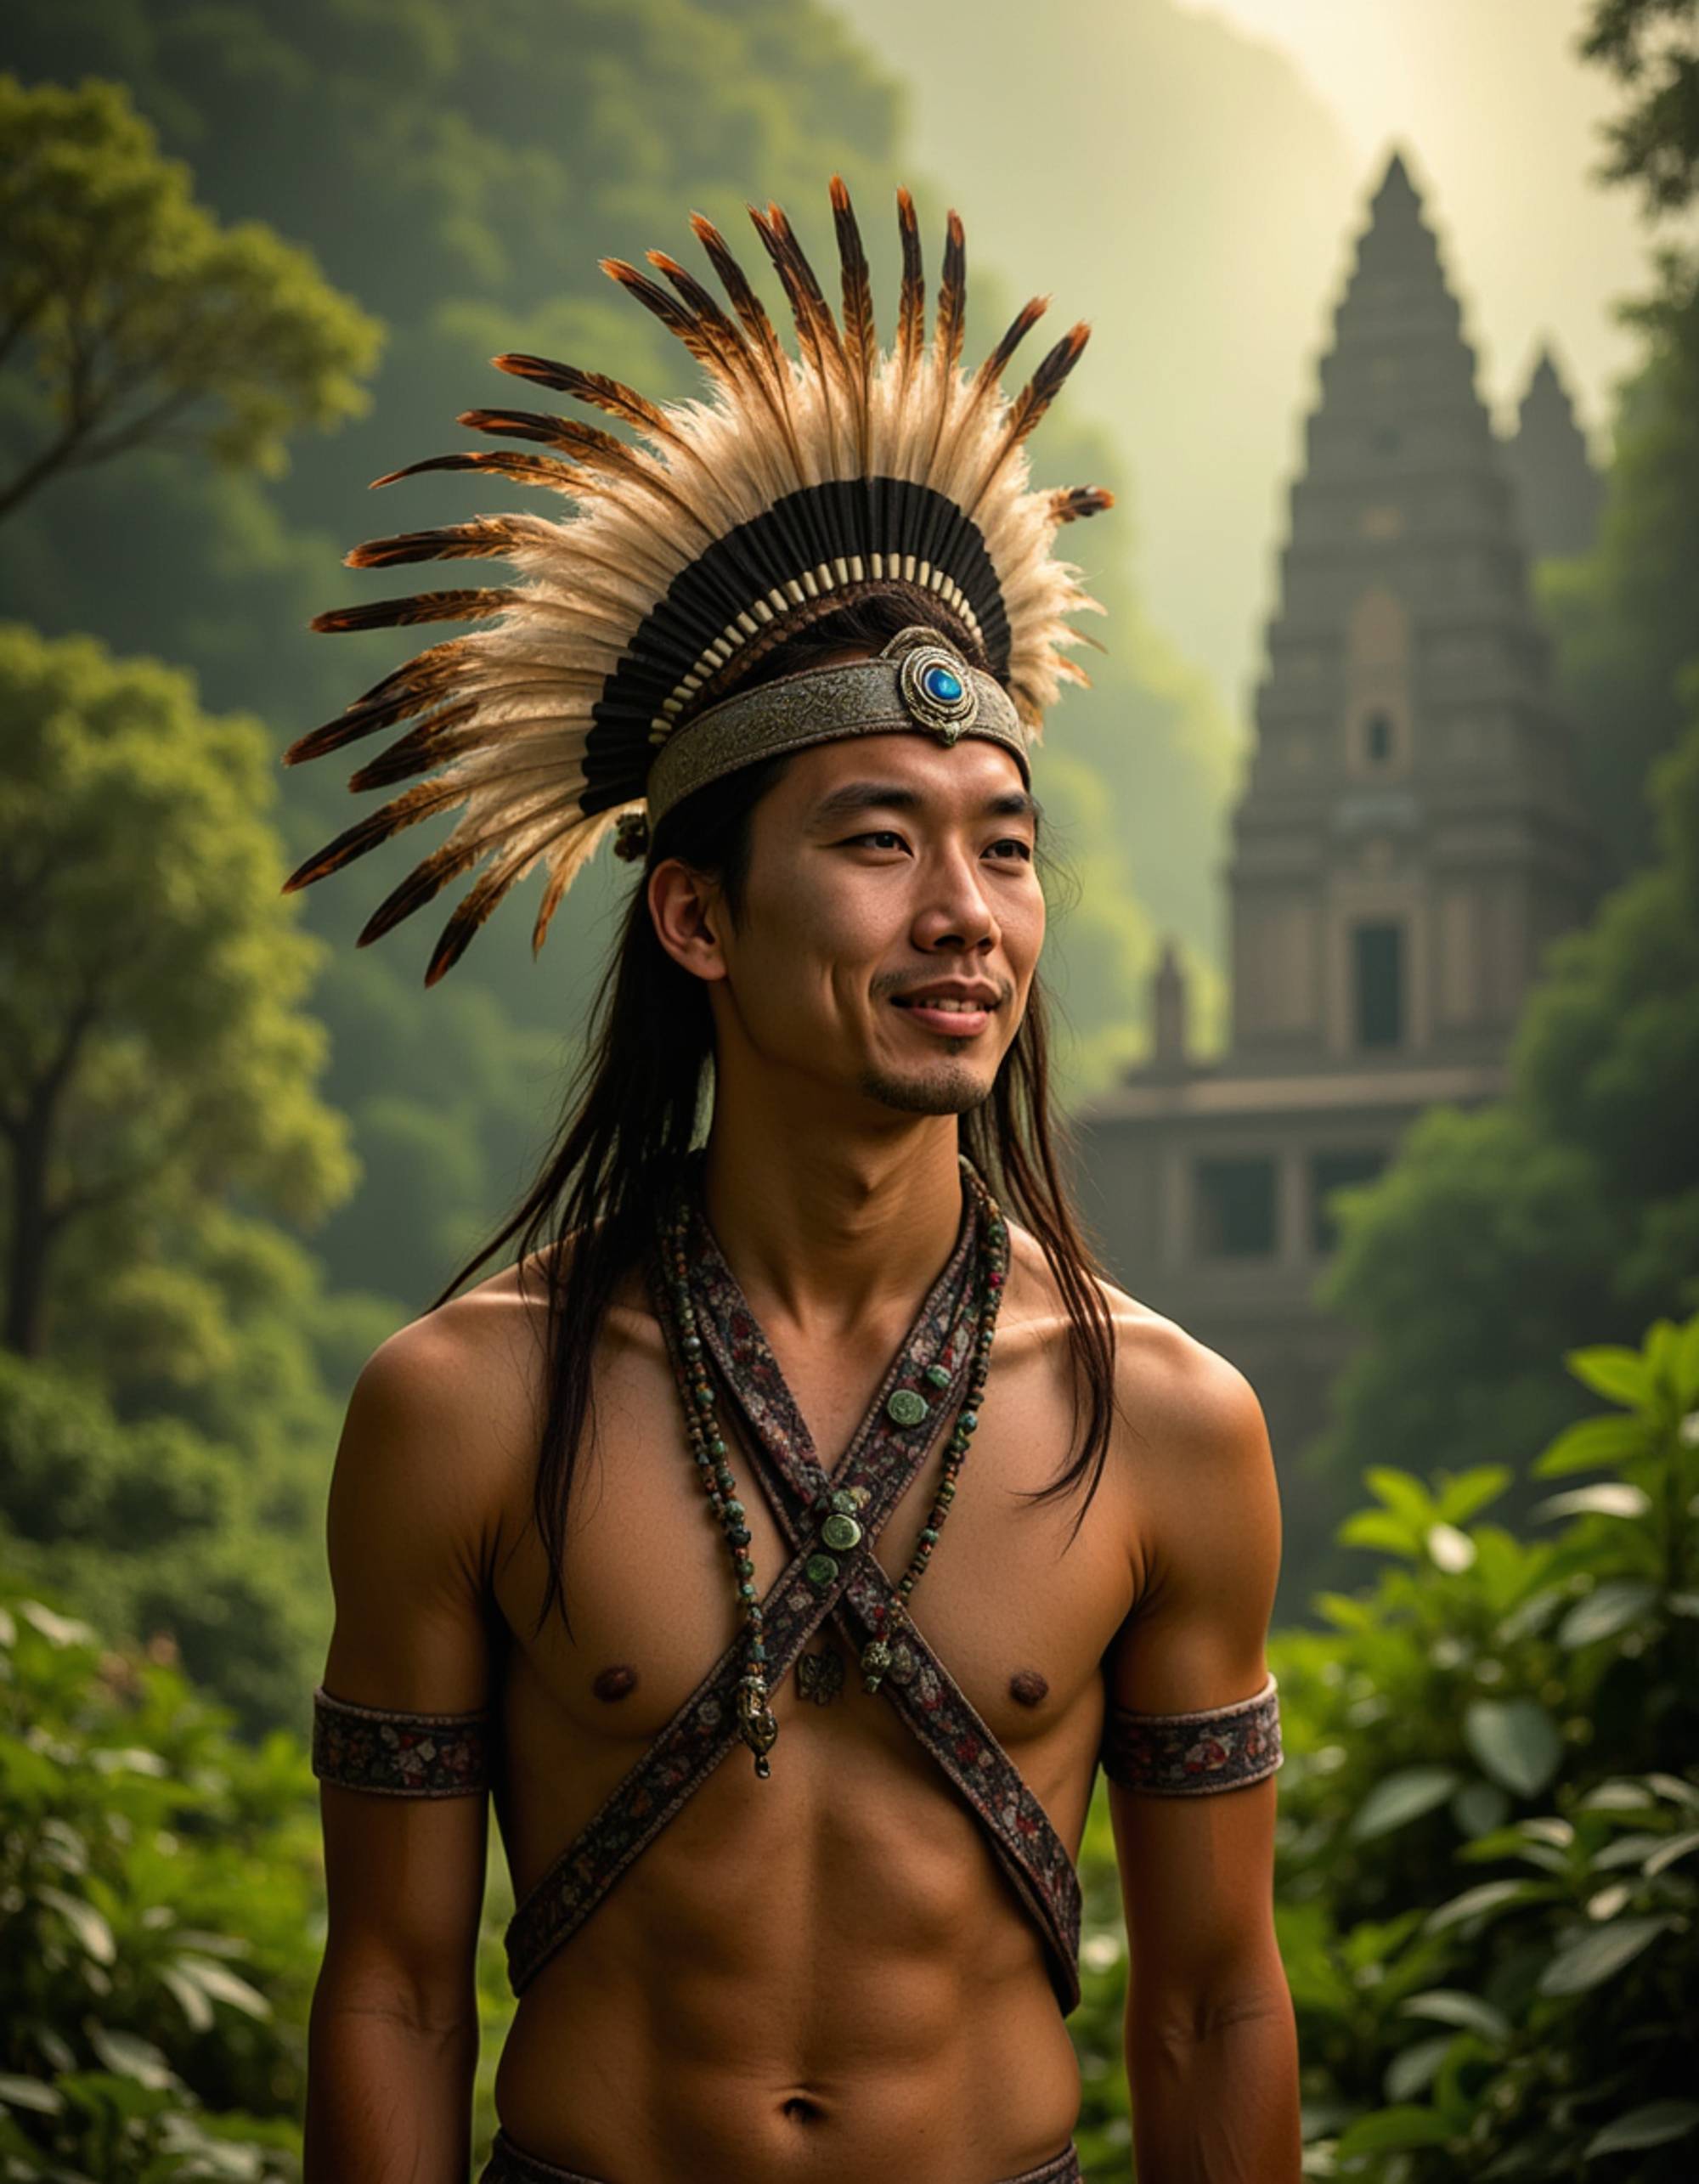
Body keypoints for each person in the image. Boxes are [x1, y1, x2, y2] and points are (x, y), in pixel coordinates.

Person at [286, 178, 1301, 2184]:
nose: (965, 915)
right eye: (876, 840)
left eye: (1003, 847)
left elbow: (1211, 2000)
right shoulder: (462, 1408)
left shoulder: (1171, 1426)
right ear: (694, 916)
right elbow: (393, 1984)